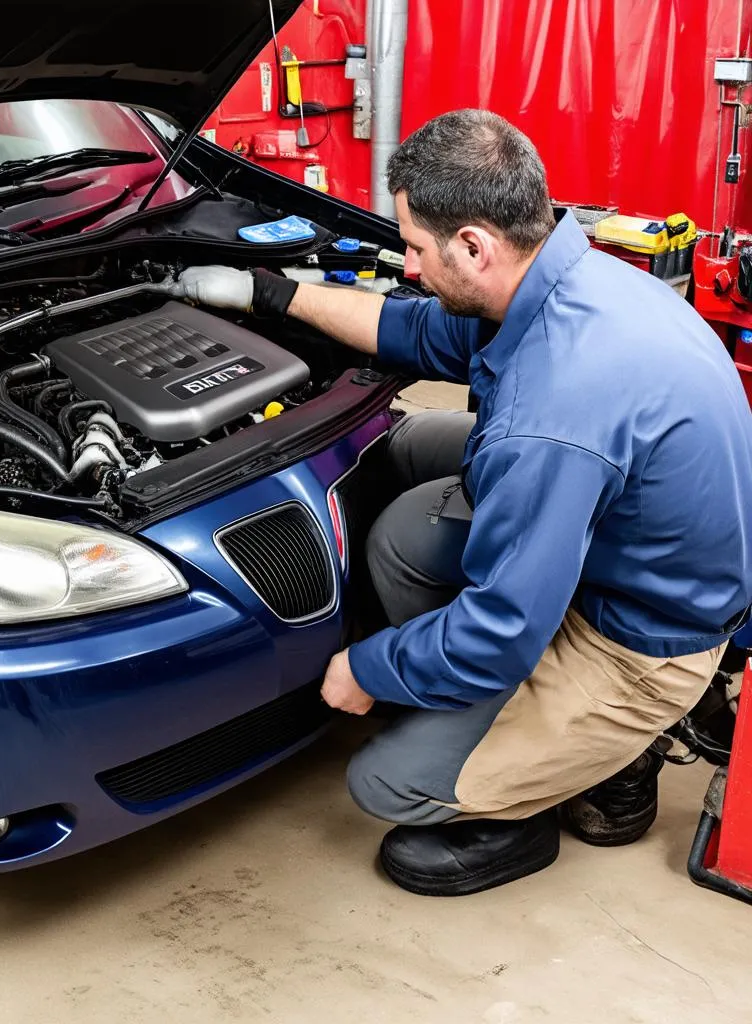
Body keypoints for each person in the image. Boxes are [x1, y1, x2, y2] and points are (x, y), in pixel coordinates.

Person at [171, 109, 752, 896]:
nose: (407, 266)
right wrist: (270, 295)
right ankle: (492, 715)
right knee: (405, 490)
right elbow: (412, 328)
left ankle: (580, 776)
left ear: (475, 245)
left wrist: (367, 669)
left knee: (384, 784)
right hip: (620, 539)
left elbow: (504, 628)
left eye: (413, 247)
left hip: (642, 644)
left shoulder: (552, 410)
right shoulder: (566, 276)